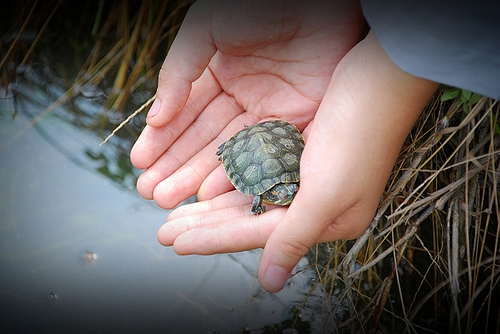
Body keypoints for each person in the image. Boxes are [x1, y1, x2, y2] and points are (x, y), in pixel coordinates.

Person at [130, 0, 500, 293]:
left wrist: (387, 78)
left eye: (292, 190)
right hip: (252, 140)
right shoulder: (264, 190)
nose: (291, 192)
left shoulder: (290, 182)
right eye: (290, 191)